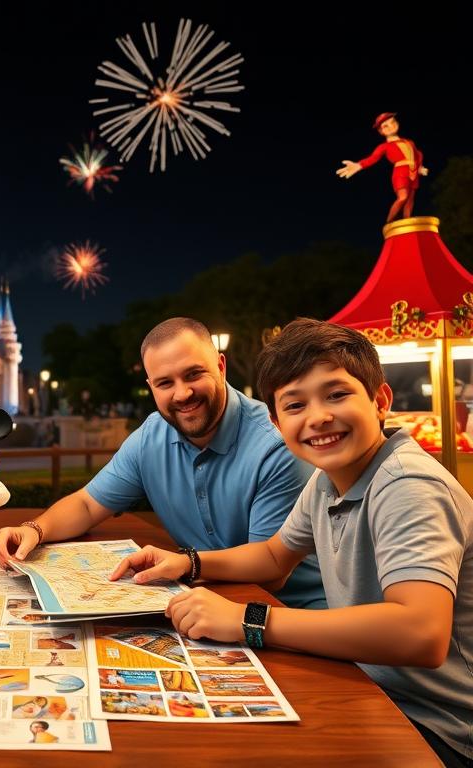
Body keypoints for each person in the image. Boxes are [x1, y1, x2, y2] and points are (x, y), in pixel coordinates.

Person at [111, 319, 472, 767]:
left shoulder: (406, 484)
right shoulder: (328, 481)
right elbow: (272, 554)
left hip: (438, 729)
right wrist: (186, 563)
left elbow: (421, 633)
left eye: (337, 395)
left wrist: (248, 619)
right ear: (278, 422)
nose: (318, 417)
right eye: (295, 405)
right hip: (366, 686)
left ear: (380, 400)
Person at [0, 317, 324, 608]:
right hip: (210, 600)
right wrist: (34, 530)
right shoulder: (151, 436)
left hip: (293, 614)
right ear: (151, 387)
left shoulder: (276, 444)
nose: (182, 394)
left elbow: (271, 572)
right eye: (165, 383)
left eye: (193, 374)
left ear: (221, 368)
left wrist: (187, 563)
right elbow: (86, 505)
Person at [336, 112, 428, 223]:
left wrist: (420, 167)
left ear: (397, 123)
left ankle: (407, 221)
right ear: (381, 132)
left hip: (413, 172)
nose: (391, 126)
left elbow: (418, 154)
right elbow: (373, 158)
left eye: (393, 122)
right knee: (403, 197)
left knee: (410, 199)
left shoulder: (409, 142)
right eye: (386, 126)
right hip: (400, 172)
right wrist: (359, 165)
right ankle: (389, 222)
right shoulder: (384, 146)